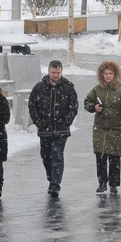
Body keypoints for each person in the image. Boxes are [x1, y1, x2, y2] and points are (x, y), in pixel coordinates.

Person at [83, 60, 121, 195]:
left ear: (115, 74)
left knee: (114, 158)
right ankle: (102, 183)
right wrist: (94, 107)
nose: (107, 76)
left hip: (117, 129)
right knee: (100, 157)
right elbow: (87, 102)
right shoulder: (97, 90)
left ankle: (113, 184)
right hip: (100, 128)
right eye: (105, 73)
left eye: (110, 73)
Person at [28, 59, 78, 198]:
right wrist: (38, 122)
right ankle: (51, 178)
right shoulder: (39, 87)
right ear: (48, 71)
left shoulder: (68, 88)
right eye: (53, 72)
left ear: (61, 72)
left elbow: (74, 107)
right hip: (45, 129)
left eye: (58, 72)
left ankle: (55, 184)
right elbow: (32, 106)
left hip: (61, 130)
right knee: (45, 156)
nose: (55, 75)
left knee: (57, 155)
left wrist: (67, 122)